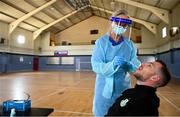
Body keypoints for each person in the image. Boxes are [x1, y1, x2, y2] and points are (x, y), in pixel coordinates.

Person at [91, 9, 141, 116]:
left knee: (122, 112)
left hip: (123, 88)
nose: (121, 26)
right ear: (112, 22)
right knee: (102, 113)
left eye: (124, 24)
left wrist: (129, 65)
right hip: (104, 88)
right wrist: (111, 65)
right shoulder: (101, 43)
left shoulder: (130, 45)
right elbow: (96, 66)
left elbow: (136, 66)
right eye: (119, 23)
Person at [106, 60, 171, 116]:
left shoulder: (145, 104)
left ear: (154, 78)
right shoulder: (134, 94)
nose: (142, 64)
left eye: (150, 65)